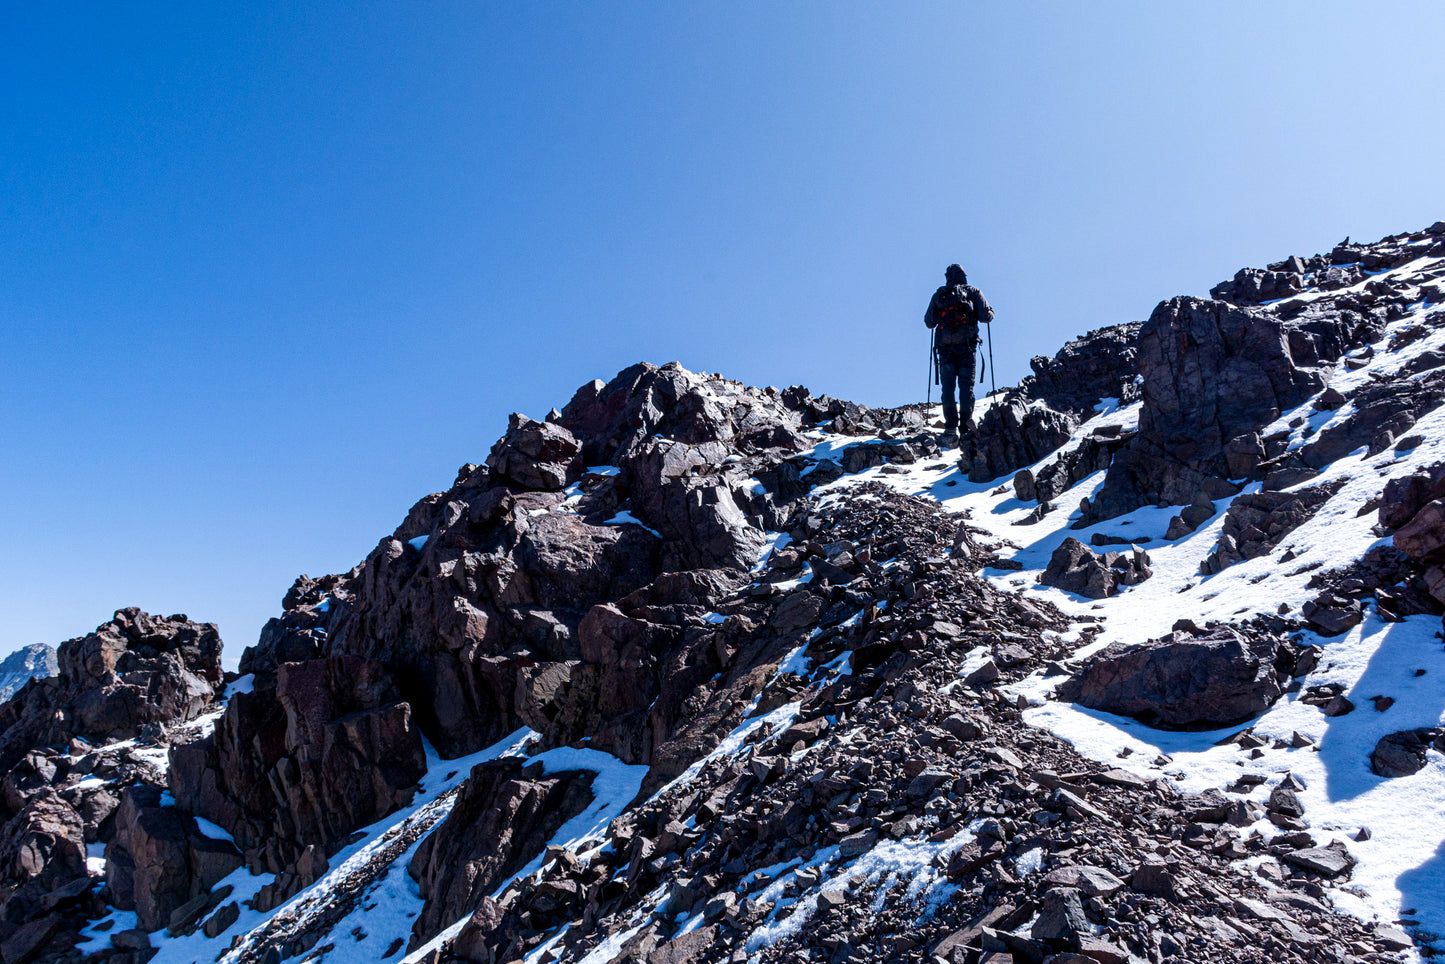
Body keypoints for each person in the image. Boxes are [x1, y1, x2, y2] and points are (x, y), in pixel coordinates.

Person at [924, 263, 994, 446]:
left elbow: (929, 322)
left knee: (948, 388)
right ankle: (965, 427)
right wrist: (991, 312)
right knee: (966, 387)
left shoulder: (940, 294)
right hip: (967, 348)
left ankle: (950, 428)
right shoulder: (973, 292)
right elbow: (986, 316)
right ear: (963, 276)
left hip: (945, 350)